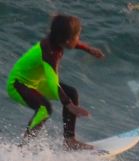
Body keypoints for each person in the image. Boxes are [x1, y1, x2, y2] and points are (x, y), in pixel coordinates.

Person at [6, 14, 105, 150]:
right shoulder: (49, 53)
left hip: (35, 82)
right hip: (17, 84)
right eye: (77, 36)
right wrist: (69, 105)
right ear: (66, 40)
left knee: (71, 93)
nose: (78, 39)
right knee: (44, 108)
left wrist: (88, 49)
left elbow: (72, 43)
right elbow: (53, 82)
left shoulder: (55, 40)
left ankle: (69, 141)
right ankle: (23, 148)